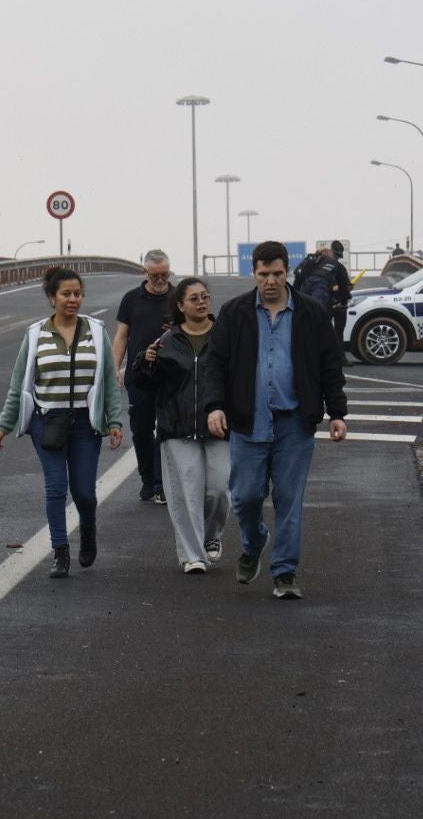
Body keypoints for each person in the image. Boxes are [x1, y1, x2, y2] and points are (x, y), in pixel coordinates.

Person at [204, 241, 349, 600]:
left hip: (295, 424)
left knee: (288, 498)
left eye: (277, 274)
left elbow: (330, 364)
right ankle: (254, 543)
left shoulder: (311, 313)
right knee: (246, 497)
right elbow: (216, 365)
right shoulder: (234, 312)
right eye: (264, 274)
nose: (270, 281)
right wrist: (215, 406)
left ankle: (285, 572)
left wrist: (337, 413)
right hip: (248, 422)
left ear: (288, 272)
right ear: (253, 273)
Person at [0, 267, 124, 578]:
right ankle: (60, 552)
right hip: (47, 422)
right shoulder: (36, 335)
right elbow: (18, 384)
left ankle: (87, 530)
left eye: (77, 293)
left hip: (84, 423)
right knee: (55, 488)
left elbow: (107, 381)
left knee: (84, 491)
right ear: (52, 298)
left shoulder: (96, 331)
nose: (73, 299)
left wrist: (114, 421)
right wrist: (3, 426)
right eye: (66, 294)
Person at [127, 276, 229, 573]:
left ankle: (211, 537)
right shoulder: (166, 341)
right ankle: (192, 556)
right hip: (176, 427)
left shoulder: (224, 337)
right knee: (186, 491)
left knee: (218, 489)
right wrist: (145, 362)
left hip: (217, 426)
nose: (201, 302)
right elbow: (145, 384)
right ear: (181, 305)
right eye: (194, 298)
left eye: (205, 296)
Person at [112, 250, 173, 504]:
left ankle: (162, 485)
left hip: (171, 375)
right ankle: (148, 480)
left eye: (164, 274)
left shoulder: (179, 297)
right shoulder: (131, 299)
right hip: (139, 375)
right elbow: (122, 336)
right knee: (141, 431)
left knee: (167, 431)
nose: (159, 279)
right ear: (145, 272)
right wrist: (114, 368)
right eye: (154, 275)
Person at [291, 241, 351, 339]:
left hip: (308, 297)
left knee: (310, 325)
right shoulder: (334, 264)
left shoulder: (308, 263)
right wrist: (344, 301)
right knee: (322, 325)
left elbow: (297, 278)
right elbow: (344, 286)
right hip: (328, 301)